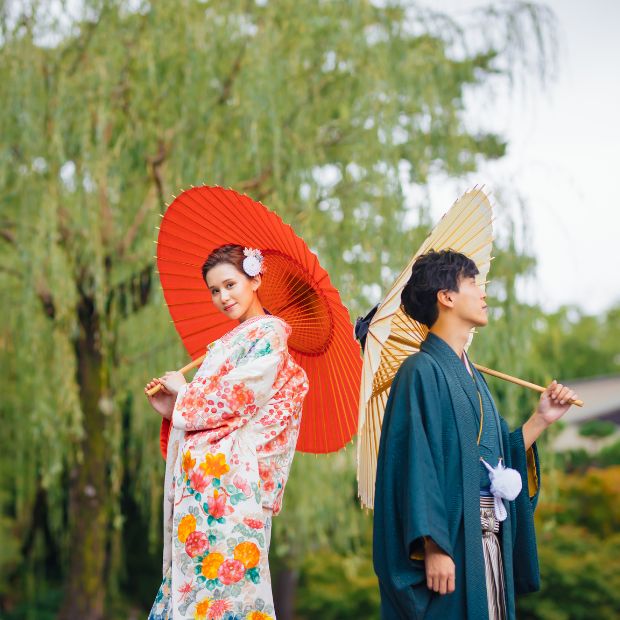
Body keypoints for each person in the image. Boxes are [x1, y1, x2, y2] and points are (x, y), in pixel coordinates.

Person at [373, 249, 579, 620]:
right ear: (446, 296)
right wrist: (433, 545)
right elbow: (416, 464)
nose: (483, 294)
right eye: (472, 283)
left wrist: (541, 419)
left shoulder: (473, 377)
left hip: (488, 541)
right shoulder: (420, 370)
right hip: (452, 538)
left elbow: (495, 456)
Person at [145, 244, 308, 620]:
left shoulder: (268, 335)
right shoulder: (234, 340)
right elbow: (208, 408)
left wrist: (183, 393)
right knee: (197, 584)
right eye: (215, 291)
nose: (223, 297)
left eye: (231, 284)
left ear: (256, 279)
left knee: (224, 585)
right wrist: (173, 405)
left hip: (231, 484)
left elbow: (235, 399)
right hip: (210, 480)